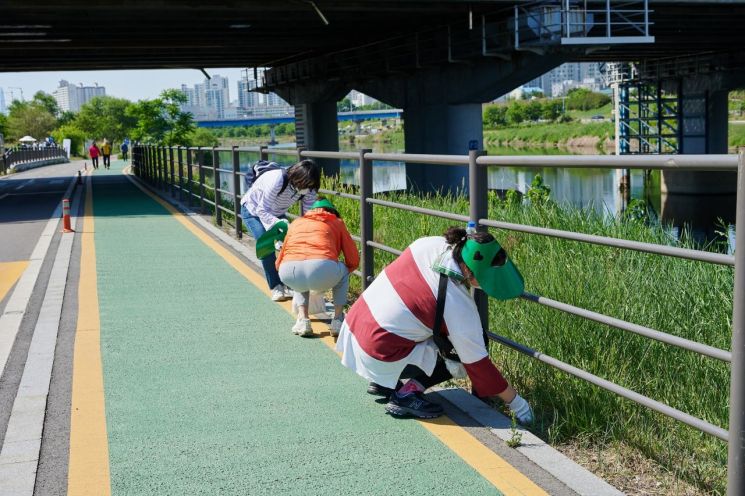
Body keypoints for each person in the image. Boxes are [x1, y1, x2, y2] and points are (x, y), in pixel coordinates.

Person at [335, 226, 533, 423]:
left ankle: (384, 382)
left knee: (424, 325)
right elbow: (478, 364)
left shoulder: (430, 244)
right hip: (378, 354)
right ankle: (407, 394)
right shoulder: (456, 304)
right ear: (467, 270)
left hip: (355, 330)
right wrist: (518, 404)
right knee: (463, 348)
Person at [276, 198, 359, 337]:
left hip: (288, 270)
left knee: (299, 278)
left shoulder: (296, 223)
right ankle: (338, 321)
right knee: (343, 272)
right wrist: (347, 268)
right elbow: (352, 258)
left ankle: (303, 320)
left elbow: (281, 256)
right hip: (321, 267)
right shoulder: (336, 222)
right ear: (332, 212)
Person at [240, 159, 320, 302]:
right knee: (266, 244)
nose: (307, 189)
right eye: (305, 184)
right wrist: (278, 227)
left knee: (289, 246)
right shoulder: (277, 179)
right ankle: (276, 286)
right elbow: (261, 210)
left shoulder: (309, 188)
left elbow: (308, 214)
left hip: (276, 212)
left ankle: (287, 282)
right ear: (298, 177)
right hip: (253, 210)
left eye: (311, 185)